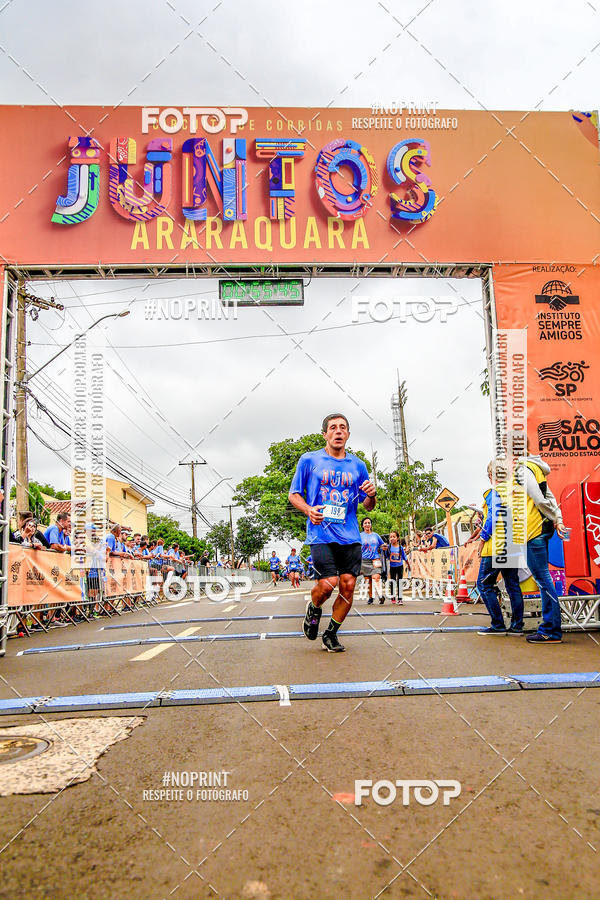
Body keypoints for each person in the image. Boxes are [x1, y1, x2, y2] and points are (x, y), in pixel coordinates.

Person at [288, 413, 376, 652]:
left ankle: (331, 633)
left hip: (350, 535)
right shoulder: (309, 460)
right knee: (328, 584)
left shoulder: (358, 465)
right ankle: (314, 608)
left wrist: (371, 494)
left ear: (347, 434)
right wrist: (308, 510)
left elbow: (367, 505)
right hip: (321, 534)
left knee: (348, 585)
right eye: (333, 428)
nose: (338, 431)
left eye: (343, 428)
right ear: (325, 434)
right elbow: (293, 494)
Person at [515, 438, 567, 643]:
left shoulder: (523, 469)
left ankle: (551, 629)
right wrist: (558, 519)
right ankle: (550, 627)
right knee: (544, 578)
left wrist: (555, 518)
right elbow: (550, 496)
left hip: (533, 529)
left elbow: (539, 499)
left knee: (543, 579)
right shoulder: (536, 467)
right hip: (541, 528)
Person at [466, 458, 524, 635]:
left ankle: (498, 624)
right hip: (512, 543)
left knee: (484, 585)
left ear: (491, 475)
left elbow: (493, 517)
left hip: (495, 546)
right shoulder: (515, 492)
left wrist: (482, 539)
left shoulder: (493, 492)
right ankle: (517, 626)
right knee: (512, 584)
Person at [360, 517, 385, 604]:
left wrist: (384, 547)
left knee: (376, 577)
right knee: (368, 580)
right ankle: (371, 597)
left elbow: (382, 544)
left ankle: (380, 595)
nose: (367, 524)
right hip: (364, 560)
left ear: (371, 525)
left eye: (369, 523)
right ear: (362, 525)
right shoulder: (360, 536)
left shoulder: (376, 535)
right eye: (365, 523)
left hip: (375, 559)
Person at [387, 531, 409, 604]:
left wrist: (408, 565)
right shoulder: (388, 547)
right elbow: (385, 556)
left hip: (400, 566)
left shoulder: (400, 548)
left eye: (394, 537)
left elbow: (405, 557)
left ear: (397, 538)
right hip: (392, 567)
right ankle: (393, 597)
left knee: (399, 582)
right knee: (392, 582)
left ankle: (400, 598)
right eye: (391, 537)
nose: (392, 538)